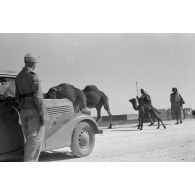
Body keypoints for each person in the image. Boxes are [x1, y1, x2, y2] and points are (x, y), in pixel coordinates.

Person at [15, 53, 46, 162]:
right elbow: (38, 98)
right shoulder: (33, 76)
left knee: (28, 139)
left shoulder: (18, 76)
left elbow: (17, 96)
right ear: (34, 63)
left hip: (23, 110)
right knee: (35, 141)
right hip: (34, 111)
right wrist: (43, 115)